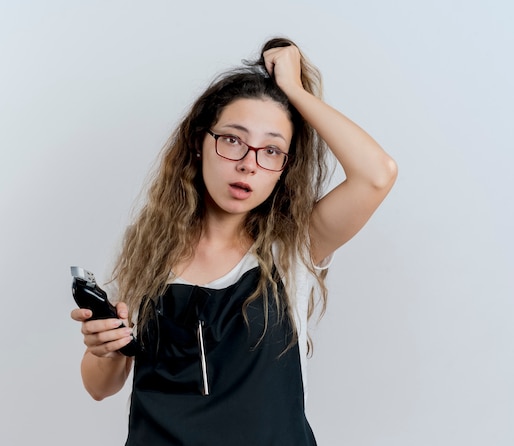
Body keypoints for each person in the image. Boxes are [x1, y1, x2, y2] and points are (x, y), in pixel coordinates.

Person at [71, 37, 397, 445]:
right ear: (198, 143)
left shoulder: (293, 248)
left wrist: (295, 90)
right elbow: (99, 387)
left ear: (284, 168)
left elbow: (377, 173)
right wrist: (106, 349)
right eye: (232, 139)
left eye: (272, 150)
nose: (248, 162)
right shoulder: (148, 252)